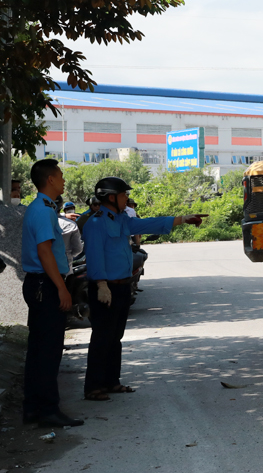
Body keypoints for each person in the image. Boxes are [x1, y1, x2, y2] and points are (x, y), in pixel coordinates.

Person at [81, 177, 203, 401]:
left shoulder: (121, 220)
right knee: (102, 337)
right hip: (105, 288)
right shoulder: (96, 223)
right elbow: (95, 256)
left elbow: (149, 224)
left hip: (122, 287)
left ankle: (111, 382)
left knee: (115, 337)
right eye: (123, 194)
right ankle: (93, 387)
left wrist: (182, 219)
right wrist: (100, 284)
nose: (127, 198)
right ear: (110, 197)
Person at [20, 158, 83, 427]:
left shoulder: (40, 208)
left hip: (39, 284)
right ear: (50, 180)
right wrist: (62, 288)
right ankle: (48, 410)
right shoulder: (44, 211)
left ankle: (33, 409)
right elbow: (45, 252)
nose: (64, 180)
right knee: (48, 351)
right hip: (46, 285)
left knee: (37, 350)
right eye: (60, 175)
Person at [56, 198, 83, 270]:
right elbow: (78, 249)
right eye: (68, 209)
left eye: (71, 208)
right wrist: (69, 255)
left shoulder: (42, 223)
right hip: (66, 262)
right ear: (63, 209)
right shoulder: (71, 224)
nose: (70, 210)